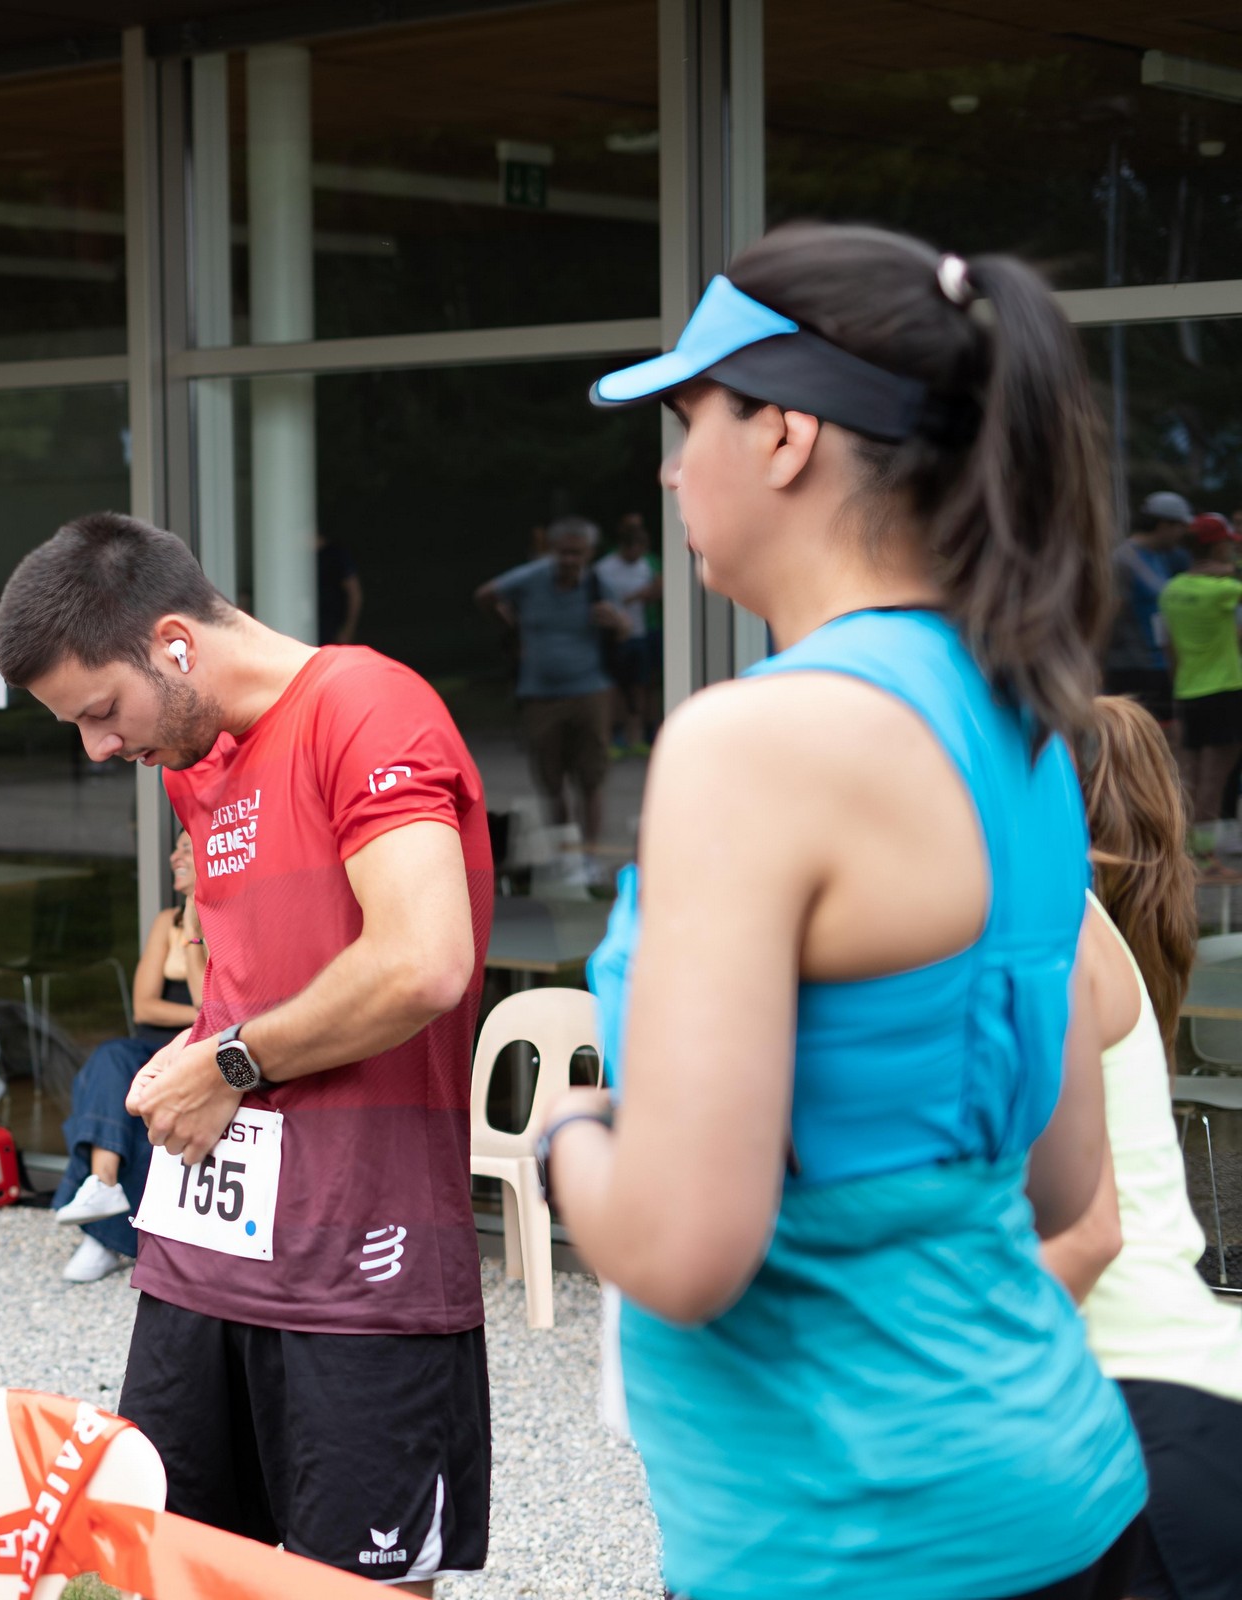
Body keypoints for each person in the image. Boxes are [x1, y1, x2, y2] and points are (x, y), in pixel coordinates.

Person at [542, 225, 1146, 1599]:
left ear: (785, 433)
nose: (670, 468)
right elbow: (1059, 1184)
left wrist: (566, 1130)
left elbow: (683, 1256)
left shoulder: (755, 742)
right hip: (1062, 1504)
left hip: (843, 1545)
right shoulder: (1030, 735)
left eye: (689, 419)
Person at [0, 511, 494, 1593]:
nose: (98, 749)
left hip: (358, 1263)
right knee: (171, 1567)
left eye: (100, 712)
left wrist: (227, 1064)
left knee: (348, 1586)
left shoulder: (367, 706)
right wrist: (200, 1050)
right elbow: (255, 976)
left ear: (174, 643)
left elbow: (422, 963)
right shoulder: (195, 756)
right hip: (200, 1253)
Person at [1044, 693, 1242, 1600]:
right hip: (1184, 1388)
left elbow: (1086, 1234)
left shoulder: (1052, 934)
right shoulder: (1105, 936)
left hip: (1126, 1415)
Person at [52, 829, 207, 1283]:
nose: (175, 856)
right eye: (175, 847)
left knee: (122, 1070)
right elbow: (144, 1006)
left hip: (193, 1046)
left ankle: (103, 1233)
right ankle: (103, 1185)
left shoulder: (220, 921)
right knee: (111, 1064)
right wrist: (199, 1012)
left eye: (186, 848)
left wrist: (194, 930)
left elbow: (209, 1005)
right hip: (150, 1042)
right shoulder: (164, 922)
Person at [475, 517, 630, 865]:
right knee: (551, 778)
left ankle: (590, 856)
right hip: (540, 695)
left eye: (578, 553)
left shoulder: (598, 585)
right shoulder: (531, 578)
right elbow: (485, 595)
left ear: (589, 553)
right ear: (551, 551)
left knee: (591, 777)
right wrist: (509, 627)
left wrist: (616, 622)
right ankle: (564, 856)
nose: (570, 560)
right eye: (563, 552)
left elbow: (626, 630)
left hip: (590, 691)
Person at [1155, 512, 1242, 864]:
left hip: (1186, 691)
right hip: (1225, 690)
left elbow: (1168, 648)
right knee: (1215, 782)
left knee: (1189, 778)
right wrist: (1232, 571)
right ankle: (1205, 861)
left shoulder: (1171, 590)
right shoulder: (1224, 591)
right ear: (1218, 546)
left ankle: (1184, 853)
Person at [1105, 490, 1196, 725]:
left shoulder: (1162, 557)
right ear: (1164, 524)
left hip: (1160, 664)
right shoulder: (1122, 560)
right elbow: (1110, 612)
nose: (1184, 533)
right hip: (1131, 666)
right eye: (1181, 526)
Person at [595, 512, 663, 757]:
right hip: (615, 636)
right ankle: (615, 737)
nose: (639, 554)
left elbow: (659, 589)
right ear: (624, 546)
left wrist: (652, 592)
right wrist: (634, 597)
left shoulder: (648, 563)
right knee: (615, 687)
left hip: (642, 632)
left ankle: (639, 737)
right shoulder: (604, 568)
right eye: (635, 549)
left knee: (641, 686)